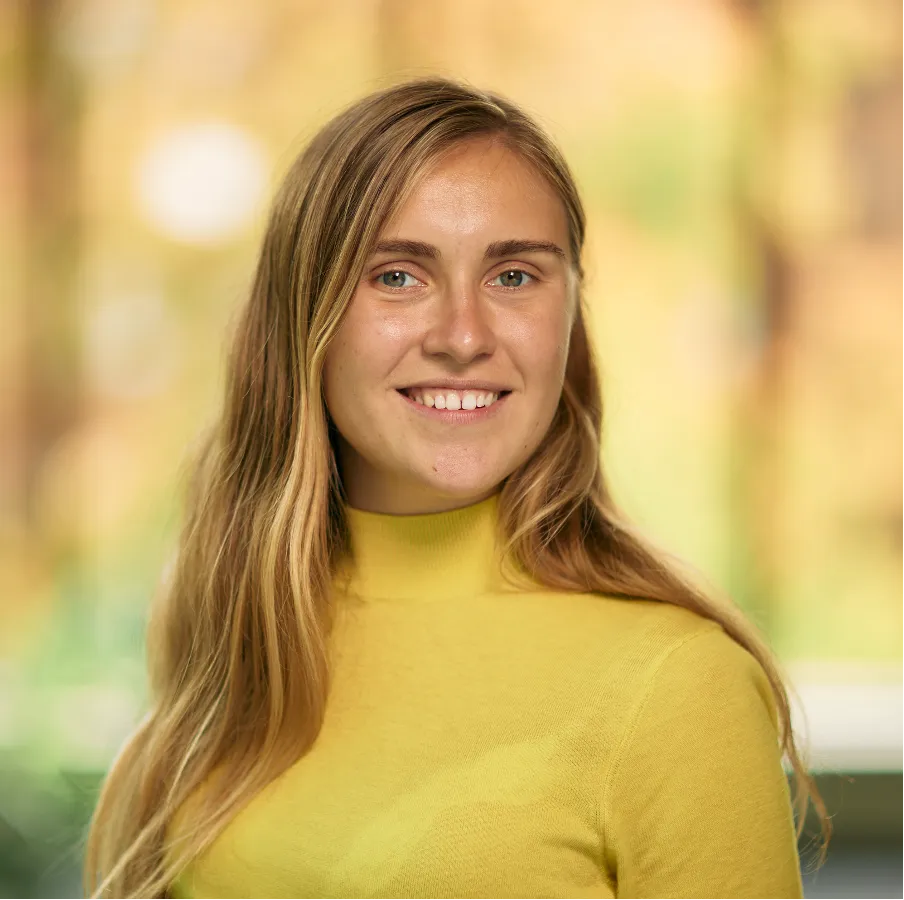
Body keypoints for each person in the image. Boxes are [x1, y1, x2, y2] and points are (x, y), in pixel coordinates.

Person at [83, 77, 831, 900]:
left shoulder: (681, 688)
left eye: (514, 277)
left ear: (571, 318)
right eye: (399, 276)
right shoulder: (240, 631)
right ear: (306, 316)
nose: (464, 336)